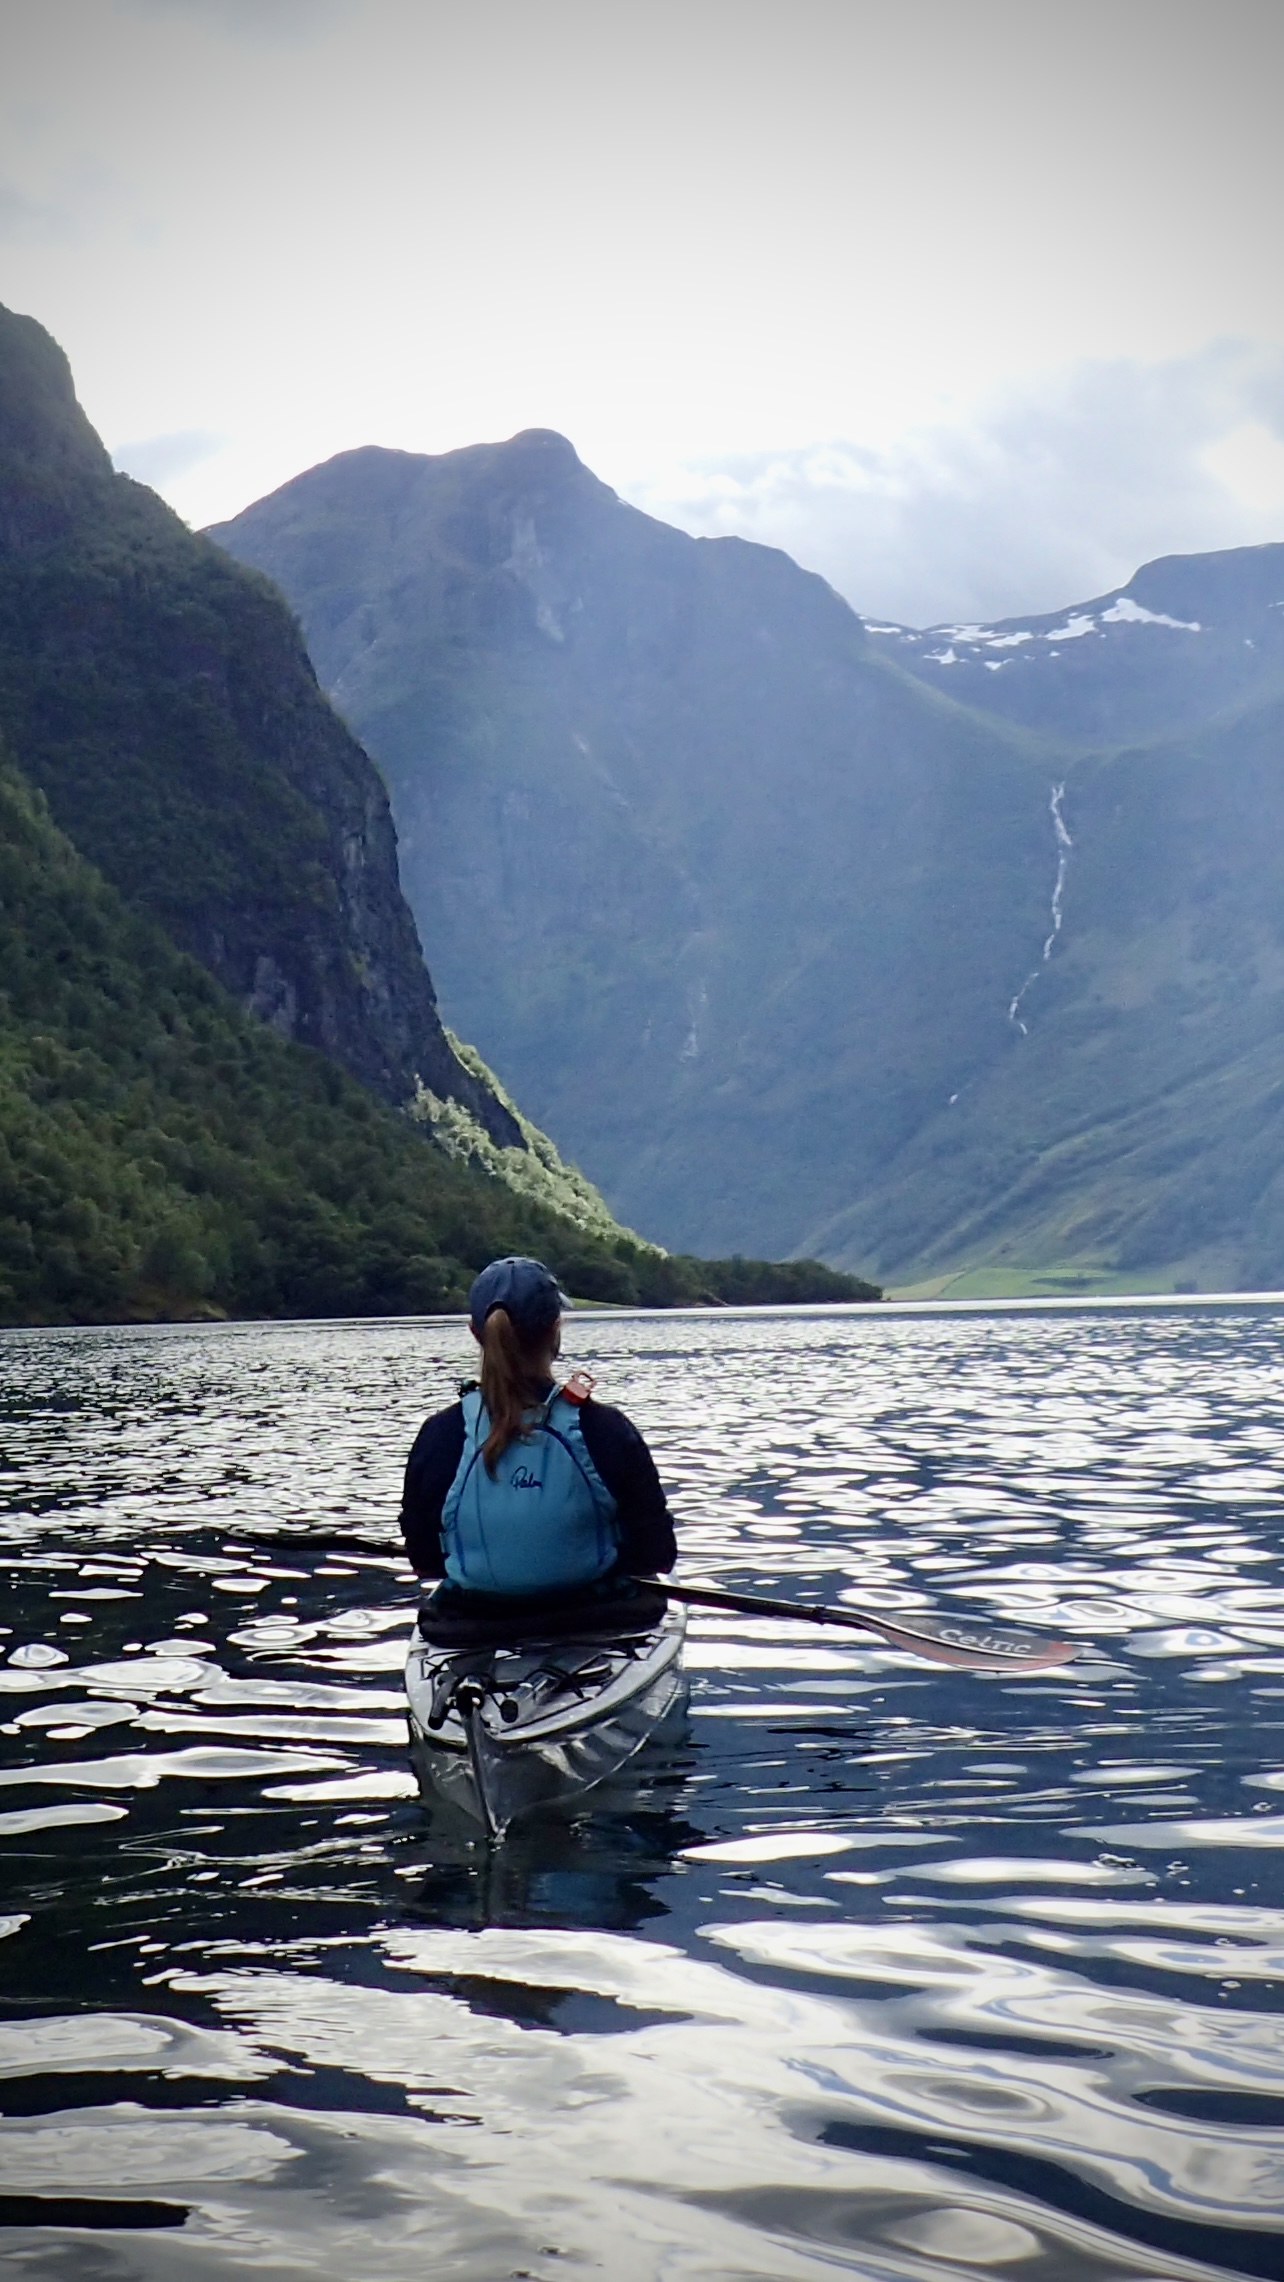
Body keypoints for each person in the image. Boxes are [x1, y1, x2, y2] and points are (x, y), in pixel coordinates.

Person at [400, 1256, 676, 1640]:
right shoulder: (606, 1429)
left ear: (475, 1333)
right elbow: (656, 1555)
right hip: (600, 1619)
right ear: (555, 1330)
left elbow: (426, 1561)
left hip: (473, 1627)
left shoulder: (439, 1435)